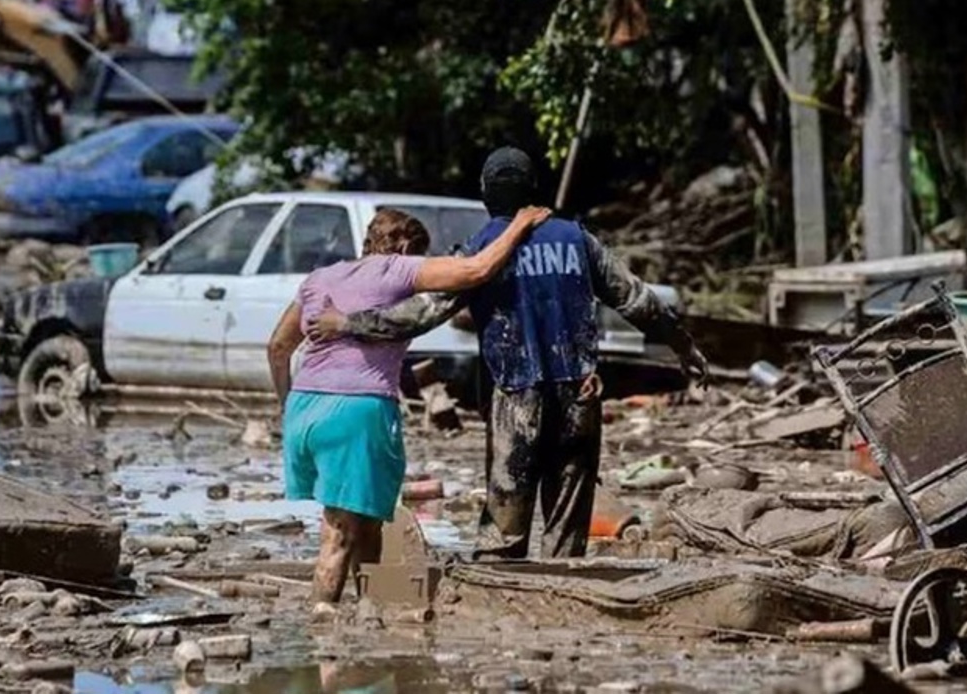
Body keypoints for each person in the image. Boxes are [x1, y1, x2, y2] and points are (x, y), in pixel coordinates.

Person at [313, 147, 710, 561]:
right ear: (533, 190)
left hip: (515, 394)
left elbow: (423, 313)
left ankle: (500, 596)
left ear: (485, 193)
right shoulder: (577, 239)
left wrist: (348, 323)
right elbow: (637, 299)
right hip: (579, 392)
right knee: (567, 517)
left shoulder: (485, 248)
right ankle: (564, 593)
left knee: (505, 520)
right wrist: (683, 345)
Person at [267, 205, 550, 608]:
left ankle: (374, 611)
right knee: (339, 531)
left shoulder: (320, 277)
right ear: (403, 246)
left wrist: (288, 407)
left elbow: (278, 348)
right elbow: (475, 271)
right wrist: (519, 225)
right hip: (357, 411)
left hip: (305, 409)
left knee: (367, 519)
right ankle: (320, 626)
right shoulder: (397, 270)